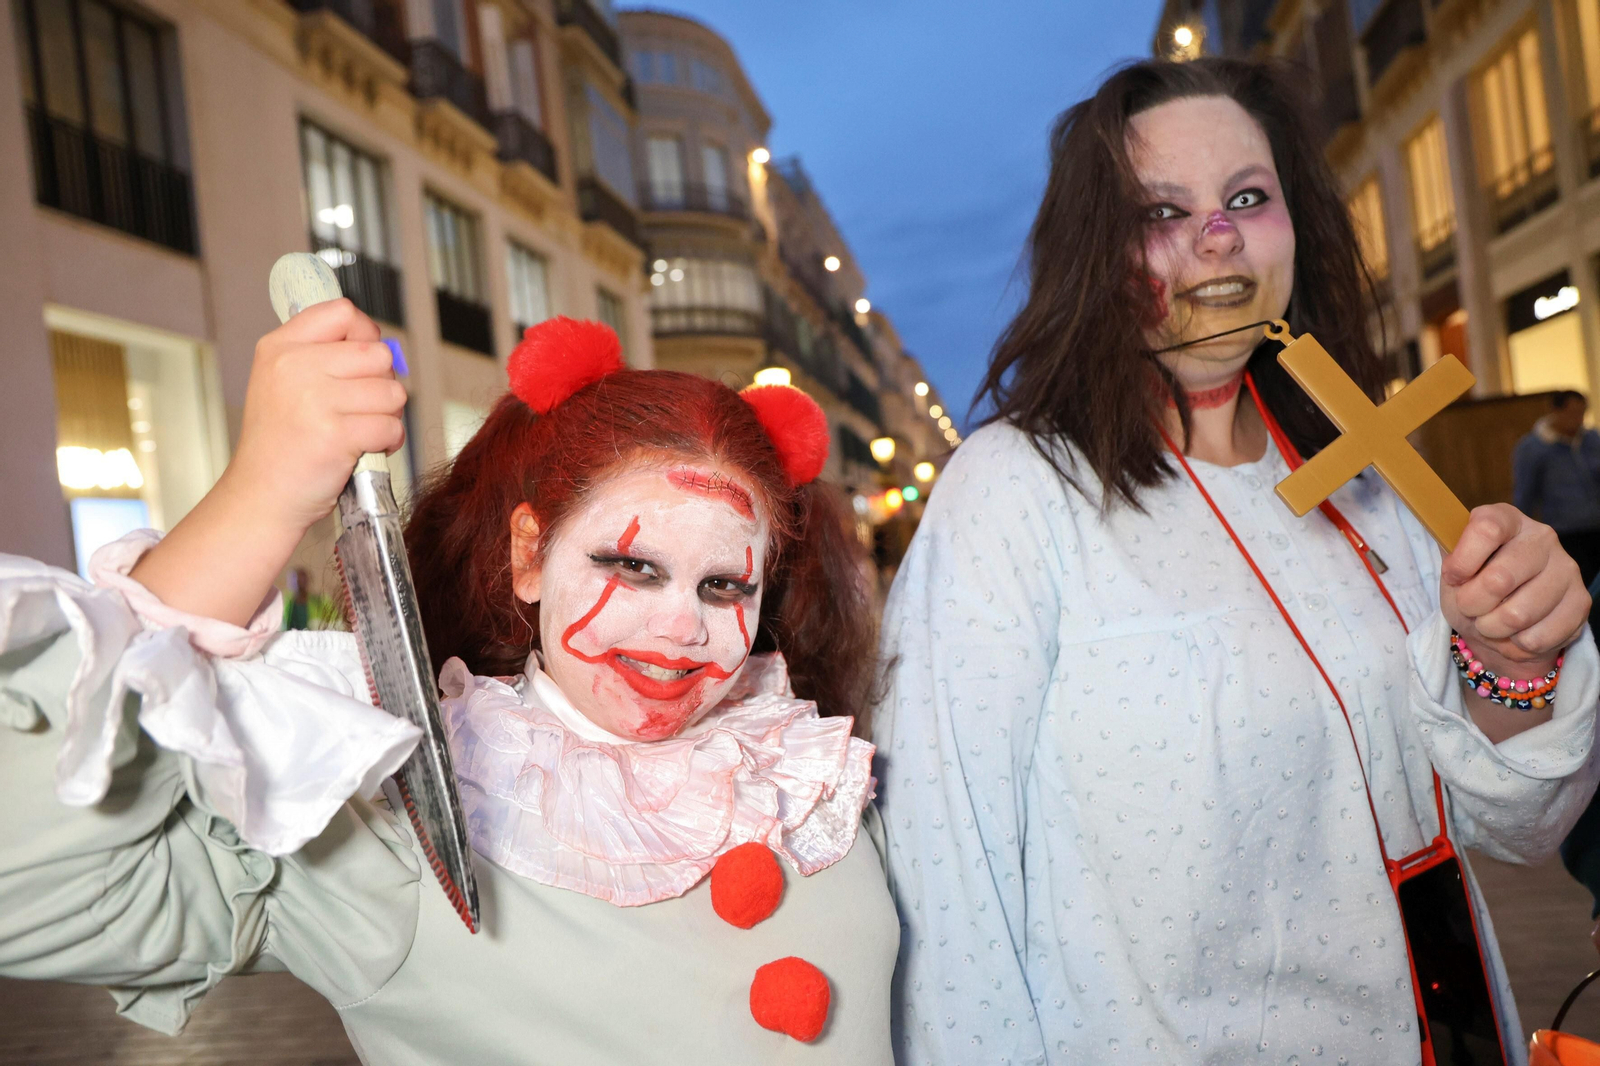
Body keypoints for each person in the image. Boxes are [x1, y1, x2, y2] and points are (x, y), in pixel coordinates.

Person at [876, 58, 1598, 1065]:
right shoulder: (1010, 495)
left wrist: (1513, 663)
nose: (1216, 236)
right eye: (1159, 211)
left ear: (1292, 224)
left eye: (1246, 198)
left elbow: (1513, 822)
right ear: (1094, 251)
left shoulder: (1364, 482)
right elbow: (944, 880)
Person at [0, 311, 897, 1064]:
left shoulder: (812, 776)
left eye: (723, 586)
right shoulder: (401, 826)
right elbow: (30, 883)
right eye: (631, 564)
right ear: (527, 555)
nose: (681, 628)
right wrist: (262, 493)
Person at [1513, 390, 1600, 587]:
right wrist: (1521, 533)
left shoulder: (1592, 440)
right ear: (1556, 411)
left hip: (1596, 525)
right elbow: (1525, 493)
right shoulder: (1533, 448)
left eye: (1581, 414)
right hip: (1566, 531)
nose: (1577, 420)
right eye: (1572, 414)